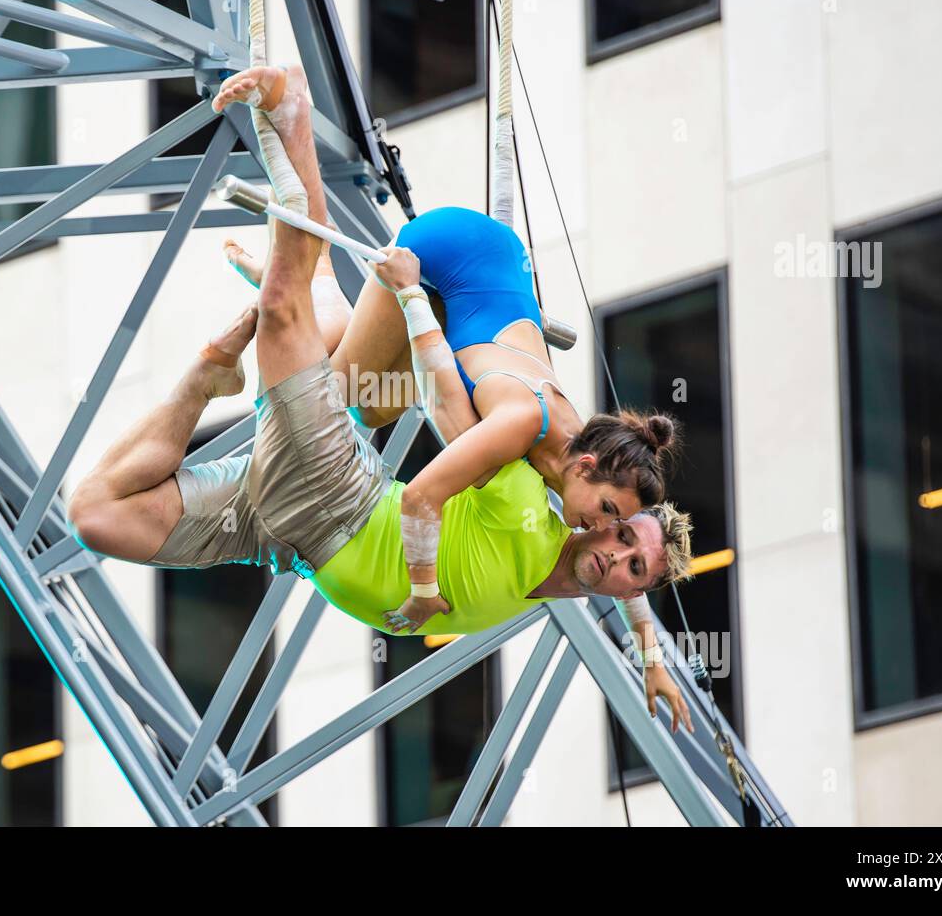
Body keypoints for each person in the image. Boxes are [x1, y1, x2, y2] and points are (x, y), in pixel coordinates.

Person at [66, 207, 697, 732]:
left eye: (629, 561)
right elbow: (441, 406)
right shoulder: (527, 461)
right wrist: (410, 296)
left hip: (295, 539)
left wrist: (653, 661)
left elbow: (632, 565)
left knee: (98, 515)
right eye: (613, 523)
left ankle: (273, 337)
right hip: (440, 292)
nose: (609, 543)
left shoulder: (588, 508)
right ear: (591, 474)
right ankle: (289, 152)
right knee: (340, 383)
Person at [211, 63, 682, 630]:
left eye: (614, 525)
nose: (599, 530)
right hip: (448, 254)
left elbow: (626, 556)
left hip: (492, 275)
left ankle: (312, 290)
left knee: (373, 401)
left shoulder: (585, 464)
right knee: (325, 398)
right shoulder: (521, 426)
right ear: (586, 467)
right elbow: (422, 491)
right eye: (607, 513)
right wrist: (423, 592)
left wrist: (648, 646)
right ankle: (291, 108)